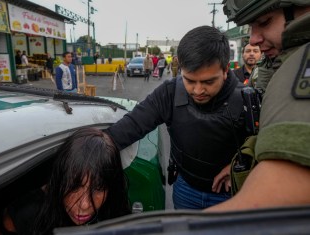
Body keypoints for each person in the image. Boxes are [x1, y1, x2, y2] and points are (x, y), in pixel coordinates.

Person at [105, 26, 248, 209]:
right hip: (186, 190)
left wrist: (237, 165)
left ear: (226, 69)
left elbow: (266, 147)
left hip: (232, 195)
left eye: (208, 82)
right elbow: (132, 125)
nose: (198, 90)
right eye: (189, 80)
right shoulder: (170, 92)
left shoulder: (246, 99)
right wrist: (97, 146)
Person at [205, 0, 310, 212]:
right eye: (251, 27)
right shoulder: (277, 64)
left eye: (264, 22)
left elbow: (269, 204)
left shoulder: (301, 64)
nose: (253, 39)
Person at [0, 127, 131, 234]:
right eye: (74, 186)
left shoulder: (114, 209)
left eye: (98, 188)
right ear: (60, 178)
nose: (84, 204)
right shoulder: (27, 212)